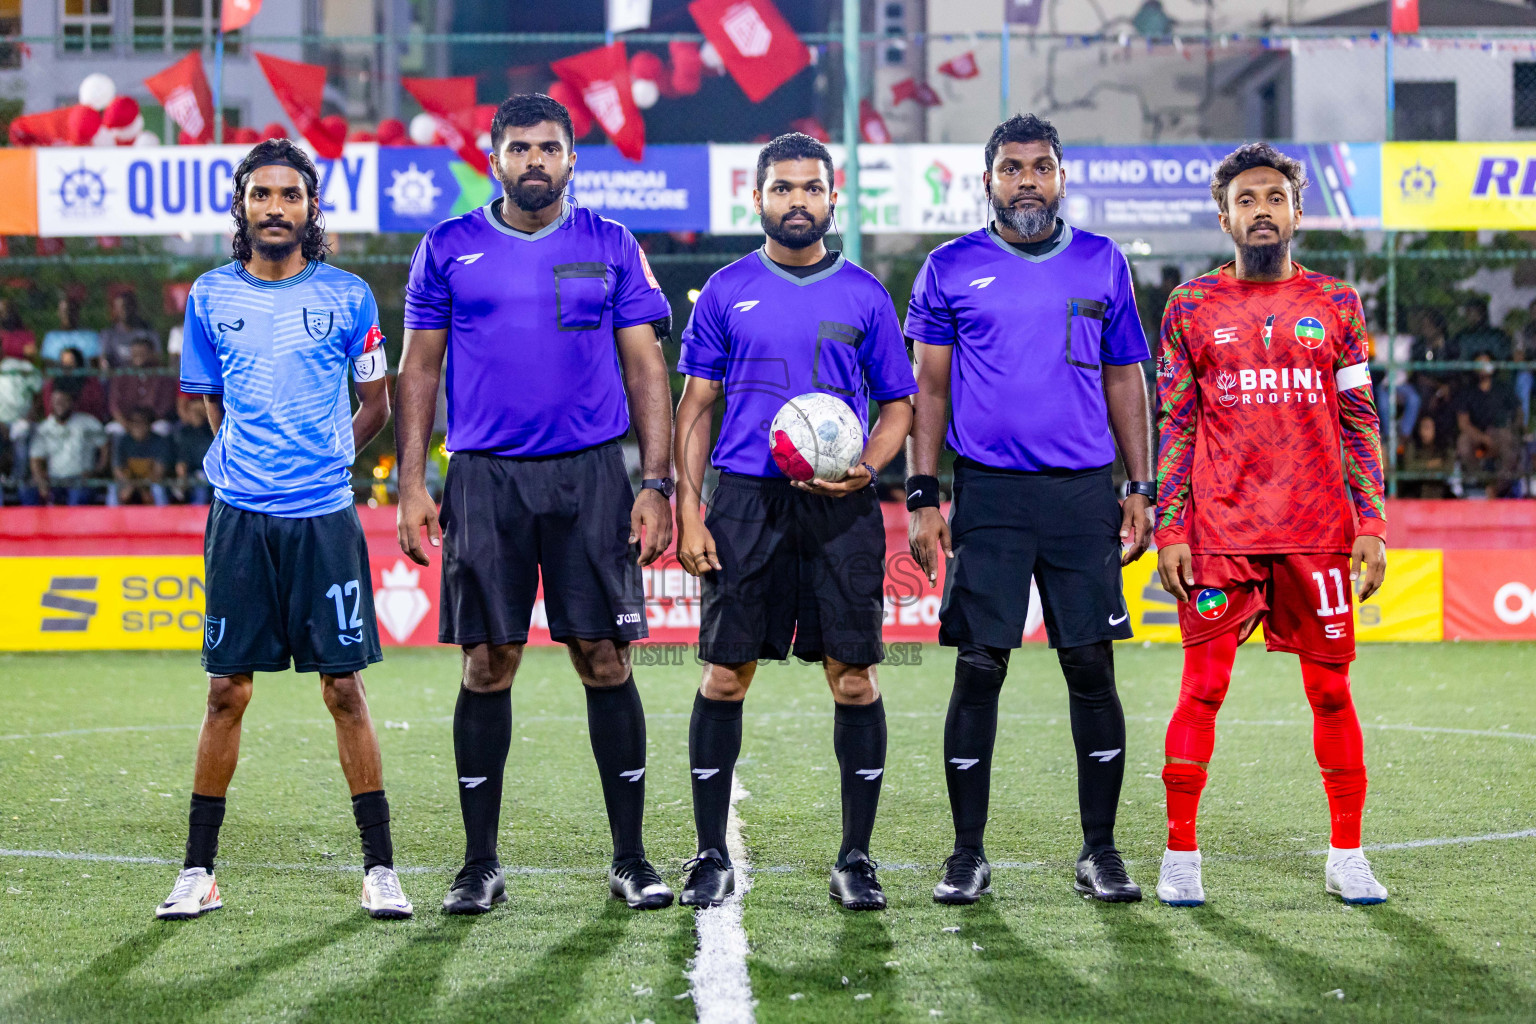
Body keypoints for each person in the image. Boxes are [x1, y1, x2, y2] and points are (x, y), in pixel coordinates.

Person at [394, 93, 676, 914]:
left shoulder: (612, 244)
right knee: (488, 662)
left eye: (549, 147)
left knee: (605, 659)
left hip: (591, 476)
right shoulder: (447, 248)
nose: (534, 161)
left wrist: (655, 483)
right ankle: (479, 864)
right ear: (494, 158)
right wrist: (414, 483)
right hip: (485, 478)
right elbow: (417, 372)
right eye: (519, 147)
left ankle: (630, 857)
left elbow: (648, 371)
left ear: (571, 160)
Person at [156, 139, 409, 922]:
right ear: (243, 207)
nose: (275, 208)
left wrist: (326, 455)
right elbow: (211, 402)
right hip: (239, 517)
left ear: (310, 209)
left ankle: (381, 869)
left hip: (325, 518)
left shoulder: (348, 296)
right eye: (261, 195)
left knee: (344, 691)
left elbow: (377, 403)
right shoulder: (208, 295)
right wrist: (254, 462)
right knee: (225, 692)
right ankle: (199, 871)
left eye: (289, 196)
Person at [905, 114, 1155, 906]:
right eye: (1011, 168)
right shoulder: (948, 268)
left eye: (1041, 167)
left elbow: (1126, 382)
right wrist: (922, 492)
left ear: (1061, 178)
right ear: (988, 180)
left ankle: (1101, 852)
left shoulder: (1102, 261)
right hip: (991, 495)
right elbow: (930, 390)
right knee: (980, 668)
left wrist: (1140, 486)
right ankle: (967, 854)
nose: (1027, 181)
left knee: (1091, 666)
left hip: (1084, 496)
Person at [673, 134, 917, 911]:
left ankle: (856, 858)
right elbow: (696, 408)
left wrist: (868, 467)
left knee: (854, 679)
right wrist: (688, 504)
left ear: (832, 197)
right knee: (724, 675)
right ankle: (710, 854)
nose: (798, 201)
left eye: (812, 188)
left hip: (841, 508)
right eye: (783, 189)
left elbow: (899, 405)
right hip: (745, 500)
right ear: (760, 200)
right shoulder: (724, 290)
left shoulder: (866, 296)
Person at [1153, 142, 1390, 908]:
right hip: (1220, 535)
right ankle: (1181, 856)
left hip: (1318, 530)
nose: (1261, 210)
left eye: (1274, 197)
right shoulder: (1190, 306)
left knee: (1330, 693)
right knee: (1203, 689)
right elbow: (1175, 422)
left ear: (1297, 212)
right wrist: (1171, 527)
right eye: (1246, 200)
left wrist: (1372, 522)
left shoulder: (1338, 304)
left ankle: (1348, 854)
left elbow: (1359, 416)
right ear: (1224, 217)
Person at [1453, 352, 1522, 497]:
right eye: (1479, 364)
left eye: (1486, 363)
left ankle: (1499, 488)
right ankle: (1483, 482)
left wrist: (1512, 429)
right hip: (1477, 435)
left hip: (1499, 433)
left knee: (1510, 445)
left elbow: (1518, 413)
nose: (1483, 367)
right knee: (1463, 443)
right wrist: (1483, 438)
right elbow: (1463, 423)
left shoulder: (1503, 388)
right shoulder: (1468, 391)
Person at [24, 388, 107, 505]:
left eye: (64, 400)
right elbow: (35, 459)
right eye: (56, 401)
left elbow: (105, 446)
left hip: (81, 478)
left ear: (72, 403)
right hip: (54, 479)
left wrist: (98, 470)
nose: (60, 404)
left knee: (79, 495)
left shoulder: (87, 422)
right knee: (28, 490)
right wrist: (41, 482)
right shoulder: (44, 428)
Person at [107, 336, 178, 432]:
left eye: (142, 353)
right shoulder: (121, 375)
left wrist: (144, 425)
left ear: (152, 353)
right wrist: (127, 424)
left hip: (153, 422)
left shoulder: (162, 375)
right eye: (135, 353)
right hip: (127, 422)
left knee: (162, 428)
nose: (138, 356)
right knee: (113, 429)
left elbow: (165, 404)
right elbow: (114, 405)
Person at [111, 406, 171, 505]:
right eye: (134, 422)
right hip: (128, 483)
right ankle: (113, 519)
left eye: (142, 422)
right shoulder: (122, 441)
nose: (138, 426)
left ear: (149, 424)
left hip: (150, 484)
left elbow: (158, 472)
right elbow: (118, 470)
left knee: (158, 489)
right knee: (113, 489)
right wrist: (132, 486)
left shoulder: (159, 441)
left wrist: (143, 488)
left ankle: (162, 518)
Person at [42, 346, 110, 423]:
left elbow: (97, 405)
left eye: (71, 361)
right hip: (59, 422)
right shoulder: (53, 383)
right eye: (64, 361)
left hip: (86, 421)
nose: (67, 365)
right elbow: (49, 406)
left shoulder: (90, 382)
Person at [99, 290, 161, 368]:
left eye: (128, 306)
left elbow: (157, 359)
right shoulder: (108, 335)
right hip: (118, 378)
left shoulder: (150, 333)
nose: (125, 310)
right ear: (115, 309)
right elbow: (104, 362)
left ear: (135, 307)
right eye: (121, 307)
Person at [171, 396, 215, 504]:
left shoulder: (211, 430)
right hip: (191, 472)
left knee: (201, 479)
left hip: (210, 471)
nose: (195, 414)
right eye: (192, 411)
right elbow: (182, 459)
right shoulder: (184, 432)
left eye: (198, 411)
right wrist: (182, 476)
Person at [1399, 415, 1450, 499]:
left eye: (1428, 427)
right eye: (1422, 427)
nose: (1424, 431)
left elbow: (1448, 467)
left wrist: (1421, 466)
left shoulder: (1444, 446)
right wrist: (1430, 464)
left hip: (1439, 490)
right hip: (1416, 490)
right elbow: (1409, 466)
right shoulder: (1413, 444)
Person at [39, 295, 100, 364]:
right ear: (59, 313)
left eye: (71, 310)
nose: (68, 315)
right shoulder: (51, 338)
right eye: (65, 311)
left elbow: (95, 363)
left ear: (78, 312)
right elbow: (48, 363)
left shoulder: (89, 336)